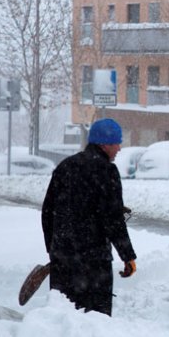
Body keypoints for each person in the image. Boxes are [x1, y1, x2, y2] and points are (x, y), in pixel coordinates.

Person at [41, 118, 137, 316]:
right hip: (94, 264)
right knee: (95, 322)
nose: (119, 148)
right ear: (104, 144)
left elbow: (47, 212)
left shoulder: (65, 167)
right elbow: (112, 218)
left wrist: (53, 248)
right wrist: (127, 256)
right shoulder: (107, 172)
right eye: (116, 143)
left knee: (62, 318)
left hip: (63, 261)